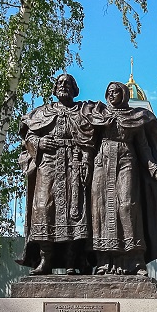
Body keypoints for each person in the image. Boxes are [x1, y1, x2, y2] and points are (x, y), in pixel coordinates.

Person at [89, 81, 157, 275]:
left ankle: (135, 260)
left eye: (116, 92)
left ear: (124, 95)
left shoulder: (136, 117)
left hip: (126, 160)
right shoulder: (98, 116)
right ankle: (105, 261)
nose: (112, 95)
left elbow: (144, 148)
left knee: (128, 206)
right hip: (102, 164)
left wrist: (155, 170)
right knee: (102, 209)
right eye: (109, 92)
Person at [17, 74, 96, 275]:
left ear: (74, 88)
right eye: (60, 83)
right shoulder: (44, 112)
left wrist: (86, 160)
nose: (63, 86)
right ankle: (45, 260)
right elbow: (29, 133)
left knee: (75, 211)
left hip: (74, 163)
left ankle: (72, 261)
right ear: (54, 89)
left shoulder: (82, 112)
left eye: (68, 83)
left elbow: (90, 137)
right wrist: (38, 143)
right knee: (43, 209)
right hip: (49, 164)